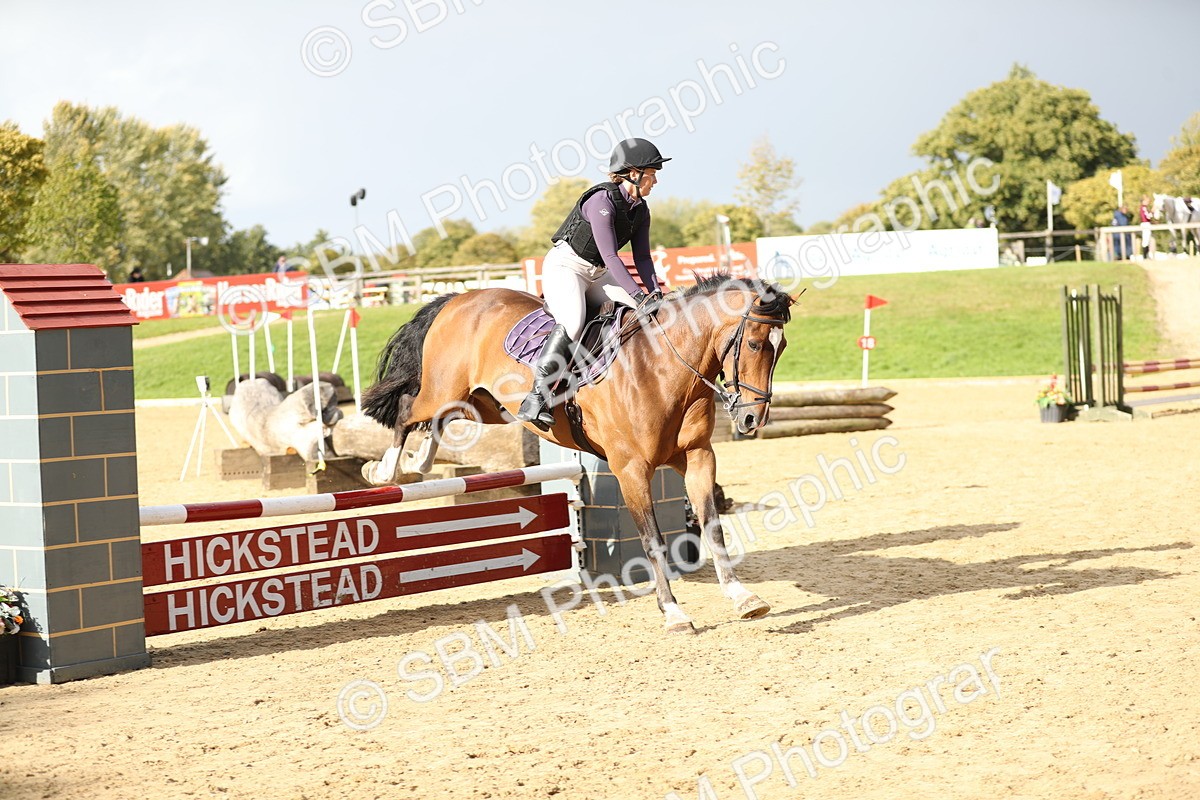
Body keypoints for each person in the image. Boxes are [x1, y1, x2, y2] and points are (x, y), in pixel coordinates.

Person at [516, 138, 669, 430]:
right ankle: (536, 397)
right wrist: (637, 293)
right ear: (633, 174)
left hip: (598, 273)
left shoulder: (640, 209)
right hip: (566, 267)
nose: (656, 180)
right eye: (652, 174)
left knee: (639, 316)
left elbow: (642, 257)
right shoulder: (602, 201)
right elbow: (611, 255)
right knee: (573, 322)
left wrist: (655, 293)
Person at [1139, 195, 1154, 260]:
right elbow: (1148, 217)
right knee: (1146, 240)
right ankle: (1145, 256)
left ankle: (1146, 255)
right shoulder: (1143, 208)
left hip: (1146, 224)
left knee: (1147, 240)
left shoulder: (1144, 208)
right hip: (1145, 224)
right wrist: (1152, 211)